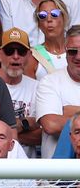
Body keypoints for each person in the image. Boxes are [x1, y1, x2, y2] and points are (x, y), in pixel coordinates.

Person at [34, 23, 80, 157]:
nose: (78, 57)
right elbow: (51, 125)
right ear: (66, 53)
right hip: (57, 174)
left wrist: (70, 112)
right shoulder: (49, 82)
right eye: (72, 51)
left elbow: (58, 123)